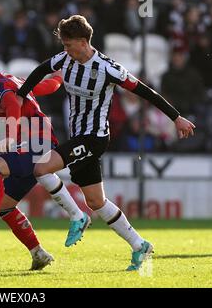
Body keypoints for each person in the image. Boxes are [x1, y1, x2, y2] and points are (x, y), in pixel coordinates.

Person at [15, 15, 196, 271]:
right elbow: (41, 69)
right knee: (96, 202)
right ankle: (139, 244)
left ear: (82, 41)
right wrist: (22, 95)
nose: (64, 50)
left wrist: (176, 118)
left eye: (68, 45)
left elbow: (145, 91)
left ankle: (76, 216)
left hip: (94, 137)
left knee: (41, 169)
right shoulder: (65, 59)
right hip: (78, 135)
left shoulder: (107, 68)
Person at [0, 52, 88, 270]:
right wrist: (57, 79)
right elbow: (42, 89)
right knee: (6, 206)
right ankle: (38, 253)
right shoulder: (13, 80)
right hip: (39, 141)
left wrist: (9, 135)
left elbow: (11, 105)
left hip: (36, 142)